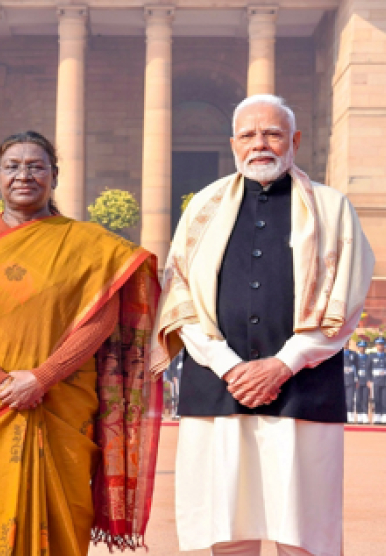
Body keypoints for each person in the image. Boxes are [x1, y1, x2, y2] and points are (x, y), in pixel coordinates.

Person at [155, 95, 374, 556]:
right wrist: (230, 366)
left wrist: (283, 364)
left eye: (273, 134)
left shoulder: (332, 211)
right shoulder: (202, 210)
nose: (261, 145)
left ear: (293, 140)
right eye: (250, 135)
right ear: (233, 143)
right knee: (229, 530)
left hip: (303, 389)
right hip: (218, 387)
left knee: (304, 535)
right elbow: (180, 298)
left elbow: (345, 300)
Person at [0, 130, 166, 555]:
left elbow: (101, 320)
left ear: (54, 176)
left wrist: (42, 378)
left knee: (62, 516)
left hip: (60, 404)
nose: (25, 175)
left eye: (37, 166)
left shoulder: (88, 244)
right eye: (13, 167)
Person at [368, 338, 386, 425]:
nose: (380, 346)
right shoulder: (371, 356)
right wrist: (369, 380)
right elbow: (368, 369)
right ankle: (377, 417)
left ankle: (385, 417)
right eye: (379, 344)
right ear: (376, 346)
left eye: (382, 344)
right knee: (377, 399)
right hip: (376, 381)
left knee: (385, 399)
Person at [354, 340, 371, 424]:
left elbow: (370, 370)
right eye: (360, 347)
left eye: (363, 347)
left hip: (366, 380)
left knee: (365, 399)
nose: (362, 348)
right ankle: (359, 415)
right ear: (358, 348)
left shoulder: (368, 357)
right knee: (358, 399)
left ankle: (365, 415)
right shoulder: (355, 357)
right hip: (358, 380)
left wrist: (369, 380)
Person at [343, 341, 358, 423]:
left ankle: (350, 416)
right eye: (344, 343)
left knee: (350, 399)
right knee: (342, 399)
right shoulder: (338, 354)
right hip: (341, 380)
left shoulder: (353, 354)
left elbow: (357, 366)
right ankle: (342, 415)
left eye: (347, 343)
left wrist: (357, 379)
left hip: (351, 379)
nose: (345, 344)